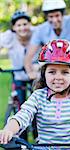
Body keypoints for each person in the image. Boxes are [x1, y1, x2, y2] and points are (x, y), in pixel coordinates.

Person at [0, 39, 70, 150]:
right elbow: (23, 116)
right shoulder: (38, 97)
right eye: (52, 72)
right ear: (44, 74)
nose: (58, 77)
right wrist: (8, 130)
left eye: (65, 72)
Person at [24, 0, 70, 80]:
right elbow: (29, 54)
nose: (54, 20)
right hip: (52, 66)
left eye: (57, 15)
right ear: (47, 17)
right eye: (51, 17)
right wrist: (30, 72)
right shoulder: (41, 30)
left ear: (62, 14)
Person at [0, 10, 38, 140]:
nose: (22, 28)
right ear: (13, 27)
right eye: (18, 25)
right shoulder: (8, 37)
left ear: (29, 25)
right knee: (20, 106)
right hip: (19, 75)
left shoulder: (36, 33)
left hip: (36, 76)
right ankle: (22, 139)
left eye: (25, 24)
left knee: (38, 104)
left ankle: (38, 135)